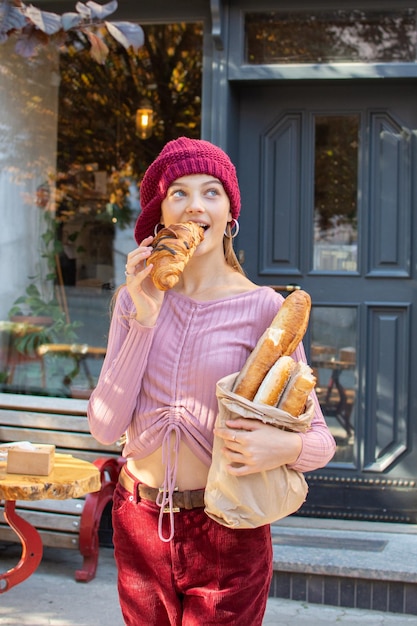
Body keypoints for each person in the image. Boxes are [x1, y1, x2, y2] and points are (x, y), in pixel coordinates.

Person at [87, 137, 336, 626]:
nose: (195, 205)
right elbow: (104, 426)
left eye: (211, 192)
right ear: (160, 213)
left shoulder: (265, 309)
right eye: (178, 192)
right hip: (139, 521)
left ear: (229, 214)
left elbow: (320, 441)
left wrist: (281, 448)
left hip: (228, 529)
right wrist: (144, 315)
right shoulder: (132, 301)